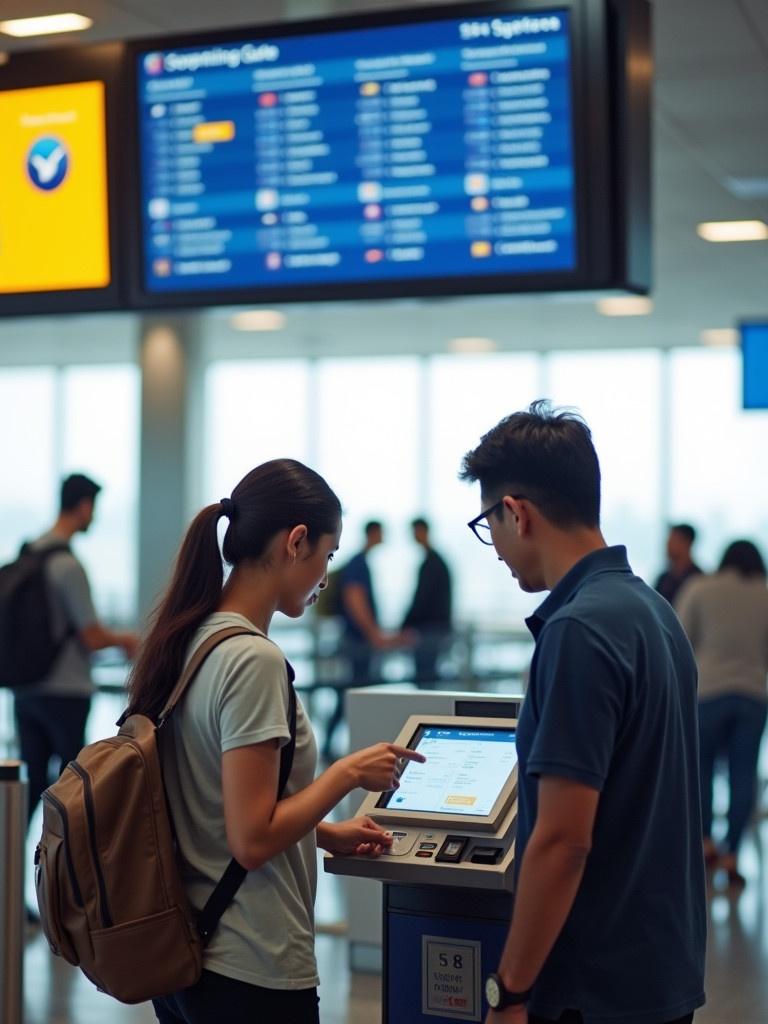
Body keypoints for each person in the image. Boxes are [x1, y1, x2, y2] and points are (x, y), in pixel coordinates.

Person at [123, 459, 423, 1024]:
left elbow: (214, 805)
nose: (325, 579)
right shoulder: (252, 659)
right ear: (296, 541)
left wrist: (325, 833)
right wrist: (346, 775)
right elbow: (251, 840)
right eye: (326, 557)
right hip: (250, 962)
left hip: (188, 957)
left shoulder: (192, 638)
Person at [459, 402, 705, 1024]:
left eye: (490, 525)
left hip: (590, 989)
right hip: (658, 974)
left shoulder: (578, 631)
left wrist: (509, 989)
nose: (496, 550)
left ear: (516, 512)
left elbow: (563, 840)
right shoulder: (650, 612)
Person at [14, 473, 140, 826]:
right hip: (66, 692)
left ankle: (9, 864)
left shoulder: (29, 553)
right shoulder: (68, 565)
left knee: (29, 784)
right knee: (72, 789)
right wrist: (126, 640)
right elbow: (92, 637)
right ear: (84, 506)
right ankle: (63, 868)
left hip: (26, 689)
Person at [677, 539, 768, 888]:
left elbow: (681, 637)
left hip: (709, 693)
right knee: (742, 776)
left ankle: (705, 843)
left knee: (700, 771)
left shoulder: (701, 588)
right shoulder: (764, 593)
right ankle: (732, 854)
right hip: (752, 696)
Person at [322, 520, 394, 760]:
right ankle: (342, 746)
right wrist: (374, 634)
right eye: (381, 533)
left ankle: (338, 745)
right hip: (356, 642)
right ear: (372, 534)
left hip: (355, 640)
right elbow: (355, 600)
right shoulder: (358, 564)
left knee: (349, 693)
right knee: (352, 693)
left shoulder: (359, 562)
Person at [402, 517, 453, 683]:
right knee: (428, 677)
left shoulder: (431, 563)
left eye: (415, 531)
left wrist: (405, 624)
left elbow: (421, 598)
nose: (413, 536)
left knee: (425, 678)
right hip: (435, 628)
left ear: (423, 531)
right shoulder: (436, 561)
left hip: (430, 630)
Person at [654, 523, 702, 607]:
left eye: (673, 540)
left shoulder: (699, 578)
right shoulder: (664, 578)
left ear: (687, 543)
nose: (667, 545)